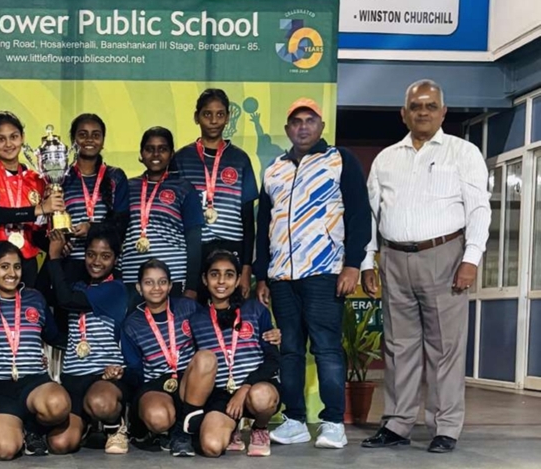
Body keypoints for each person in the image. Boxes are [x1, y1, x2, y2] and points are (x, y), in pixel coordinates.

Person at [360, 80, 490, 454]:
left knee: (445, 348)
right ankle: (397, 424)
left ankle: (444, 427)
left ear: (443, 112)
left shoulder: (463, 153)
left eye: (431, 106)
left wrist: (470, 259)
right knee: (397, 347)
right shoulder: (386, 159)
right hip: (393, 258)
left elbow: (479, 209)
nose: (423, 112)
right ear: (404, 114)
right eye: (416, 106)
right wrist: (367, 261)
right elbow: (371, 215)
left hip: (444, 256)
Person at [255, 98, 371, 449]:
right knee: (290, 350)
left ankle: (333, 423)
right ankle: (294, 421)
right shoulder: (274, 169)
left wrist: (353, 264)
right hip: (282, 277)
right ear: (287, 129)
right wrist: (263, 275)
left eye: (309, 120)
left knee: (326, 348)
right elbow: (264, 225)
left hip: (324, 271)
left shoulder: (340, 160)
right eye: (296, 121)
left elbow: (359, 214)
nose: (302, 126)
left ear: (321, 126)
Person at [0, 241, 70, 460]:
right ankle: (8, 430)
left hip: (34, 382)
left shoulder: (35, 298)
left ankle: (33, 429)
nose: (12, 273)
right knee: (4, 450)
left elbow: (53, 335)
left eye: (16, 267)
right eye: (4, 266)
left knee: (58, 405)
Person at [186, 250, 281, 457]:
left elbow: (273, 360)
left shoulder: (255, 310)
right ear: (204, 279)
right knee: (211, 447)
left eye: (229, 275)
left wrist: (245, 387)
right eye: (214, 274)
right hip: (222, 393)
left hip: (256, 386)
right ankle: (232, 428)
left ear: (238, 280)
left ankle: (260, 428)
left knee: (261, 397)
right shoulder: (196, 319)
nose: (221, 281)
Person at [46, 226, 131, 455]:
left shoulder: (115, 289)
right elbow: (45, 292)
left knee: (101, 403)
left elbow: (67, 300)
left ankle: (116, 426)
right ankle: (88, 425)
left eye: (105, 256)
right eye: (91, 254)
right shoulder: (79, 286)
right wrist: (57, 258)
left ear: (116, 259)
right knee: (60, 444)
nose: (96, 262)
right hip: (74, 376)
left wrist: (54, 257)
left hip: (104, 376)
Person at [172, 89, 259, 298]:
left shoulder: (240, 159)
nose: (213, 121)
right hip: (194, 249)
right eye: (207, 114)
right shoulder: (181, 158)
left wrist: (246, 268)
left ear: (227, 118)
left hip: (232, 246)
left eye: (220, 114)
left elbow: (248, 219)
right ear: (196, 117)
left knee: (229, 312)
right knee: (192, 310)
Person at [122, 259, 213, 457]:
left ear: (170, 286)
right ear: (139, 287)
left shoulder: (188, 308)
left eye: (162, 282)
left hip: (189, 380)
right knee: (158, 418)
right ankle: (159, 429)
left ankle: (182, 433)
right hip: (155, 384)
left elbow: (214, 328)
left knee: (206, 357)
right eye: (149, 282)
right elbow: (134, 369)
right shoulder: (132, 323)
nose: (156, 288)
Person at [0, 111, 61, 288]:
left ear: (22, 137)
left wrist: (57, 242)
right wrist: (39, 209)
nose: (8, 144)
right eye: (1, 139)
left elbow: (36, 230)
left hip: (27, 261)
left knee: (27, 305)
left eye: (13, 137)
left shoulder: (36, 178)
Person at [121, 127, 205, 304]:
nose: (155, 154)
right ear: (141, 153)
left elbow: (194, 241)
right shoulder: (127, 187)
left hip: (173, 276)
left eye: (162, 149)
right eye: (149, 149)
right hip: (132, 275)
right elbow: (117, 230)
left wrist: (191, 286)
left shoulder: (184, 188)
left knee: (172, 322)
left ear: (171, 154)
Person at [59, 113, 130, 278]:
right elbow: (48, 223)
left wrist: (92, 228)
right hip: (71, 261)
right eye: (83, 135)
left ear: (103, 141)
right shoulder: (61, 177)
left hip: (106, 265)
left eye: (96, 135)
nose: (89, 140)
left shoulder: (116, 176)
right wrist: (60, 243)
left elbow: (121, 224)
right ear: (73, 140)